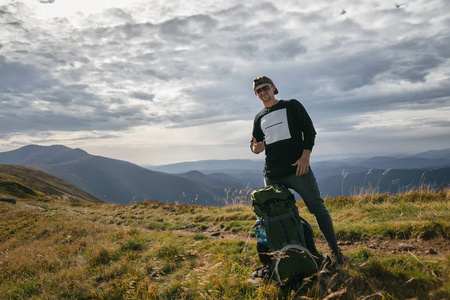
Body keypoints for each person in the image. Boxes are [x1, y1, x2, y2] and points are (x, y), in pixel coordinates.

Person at [250, 75, 343, 265]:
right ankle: (285, 257)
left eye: (265, 88)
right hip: (272, 174)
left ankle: (335, 252)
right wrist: (256, 149)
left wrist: (305, 157)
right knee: (274, 215)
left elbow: (309, 130)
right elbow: (254, 143)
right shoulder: (259, 117)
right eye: (258, 90)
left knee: (318, 208)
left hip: (298, 169)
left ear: (274, 88)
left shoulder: (291, 105)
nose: (262, 92)